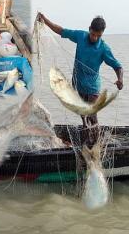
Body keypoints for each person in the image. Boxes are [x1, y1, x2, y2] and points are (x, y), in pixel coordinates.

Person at [38, 13, 124, 145]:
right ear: (89, 29)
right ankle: (86, 139)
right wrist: (45, 20)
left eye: (98, 36)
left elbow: (117, 66)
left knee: (92, 116)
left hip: (93, 88)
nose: (95, 38)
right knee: (83, 116)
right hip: (79, 84)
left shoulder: (103, 48)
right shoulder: (81, 36)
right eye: (93, 34)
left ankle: (96, 145)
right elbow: (61, 31)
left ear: (102, 34)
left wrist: (120, 80)